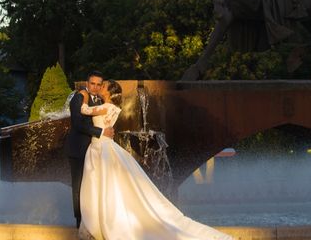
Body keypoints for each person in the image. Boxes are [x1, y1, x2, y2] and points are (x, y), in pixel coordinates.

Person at [79, 80, 232, 240]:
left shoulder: (105, 107)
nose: (100, 88)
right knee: (109, 184)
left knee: (104, 184)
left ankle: (106, 221)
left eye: (103, 87)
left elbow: (84, 110)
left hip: (102, 148)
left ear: (110, 92)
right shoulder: (115, 108)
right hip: (105, 146)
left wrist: (83, 95)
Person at [66, 71, 114, 229]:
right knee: (79, 186)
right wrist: (100, 132)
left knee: (93, 185)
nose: (95, 87)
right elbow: (78, 124)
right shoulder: (78, 97)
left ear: (101, 86)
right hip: (79, 149)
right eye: (92, 83)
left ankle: (94, 220)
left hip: (95, 150)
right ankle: (79, 222)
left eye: (98, 84)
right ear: (87, 83)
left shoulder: (99, 100)